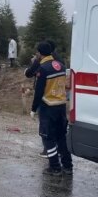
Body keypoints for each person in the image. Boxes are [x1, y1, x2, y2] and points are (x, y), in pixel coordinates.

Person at [30, 41, 72, 176]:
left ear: (41, 53)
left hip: (48, 107)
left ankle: (55, 167)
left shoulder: (43, 69)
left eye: (37, 52)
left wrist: (33, 108)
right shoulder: (61, 65)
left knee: (48, 138)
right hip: (61, 106)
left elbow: (39, 92)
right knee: (61, 137)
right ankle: (68, 166)